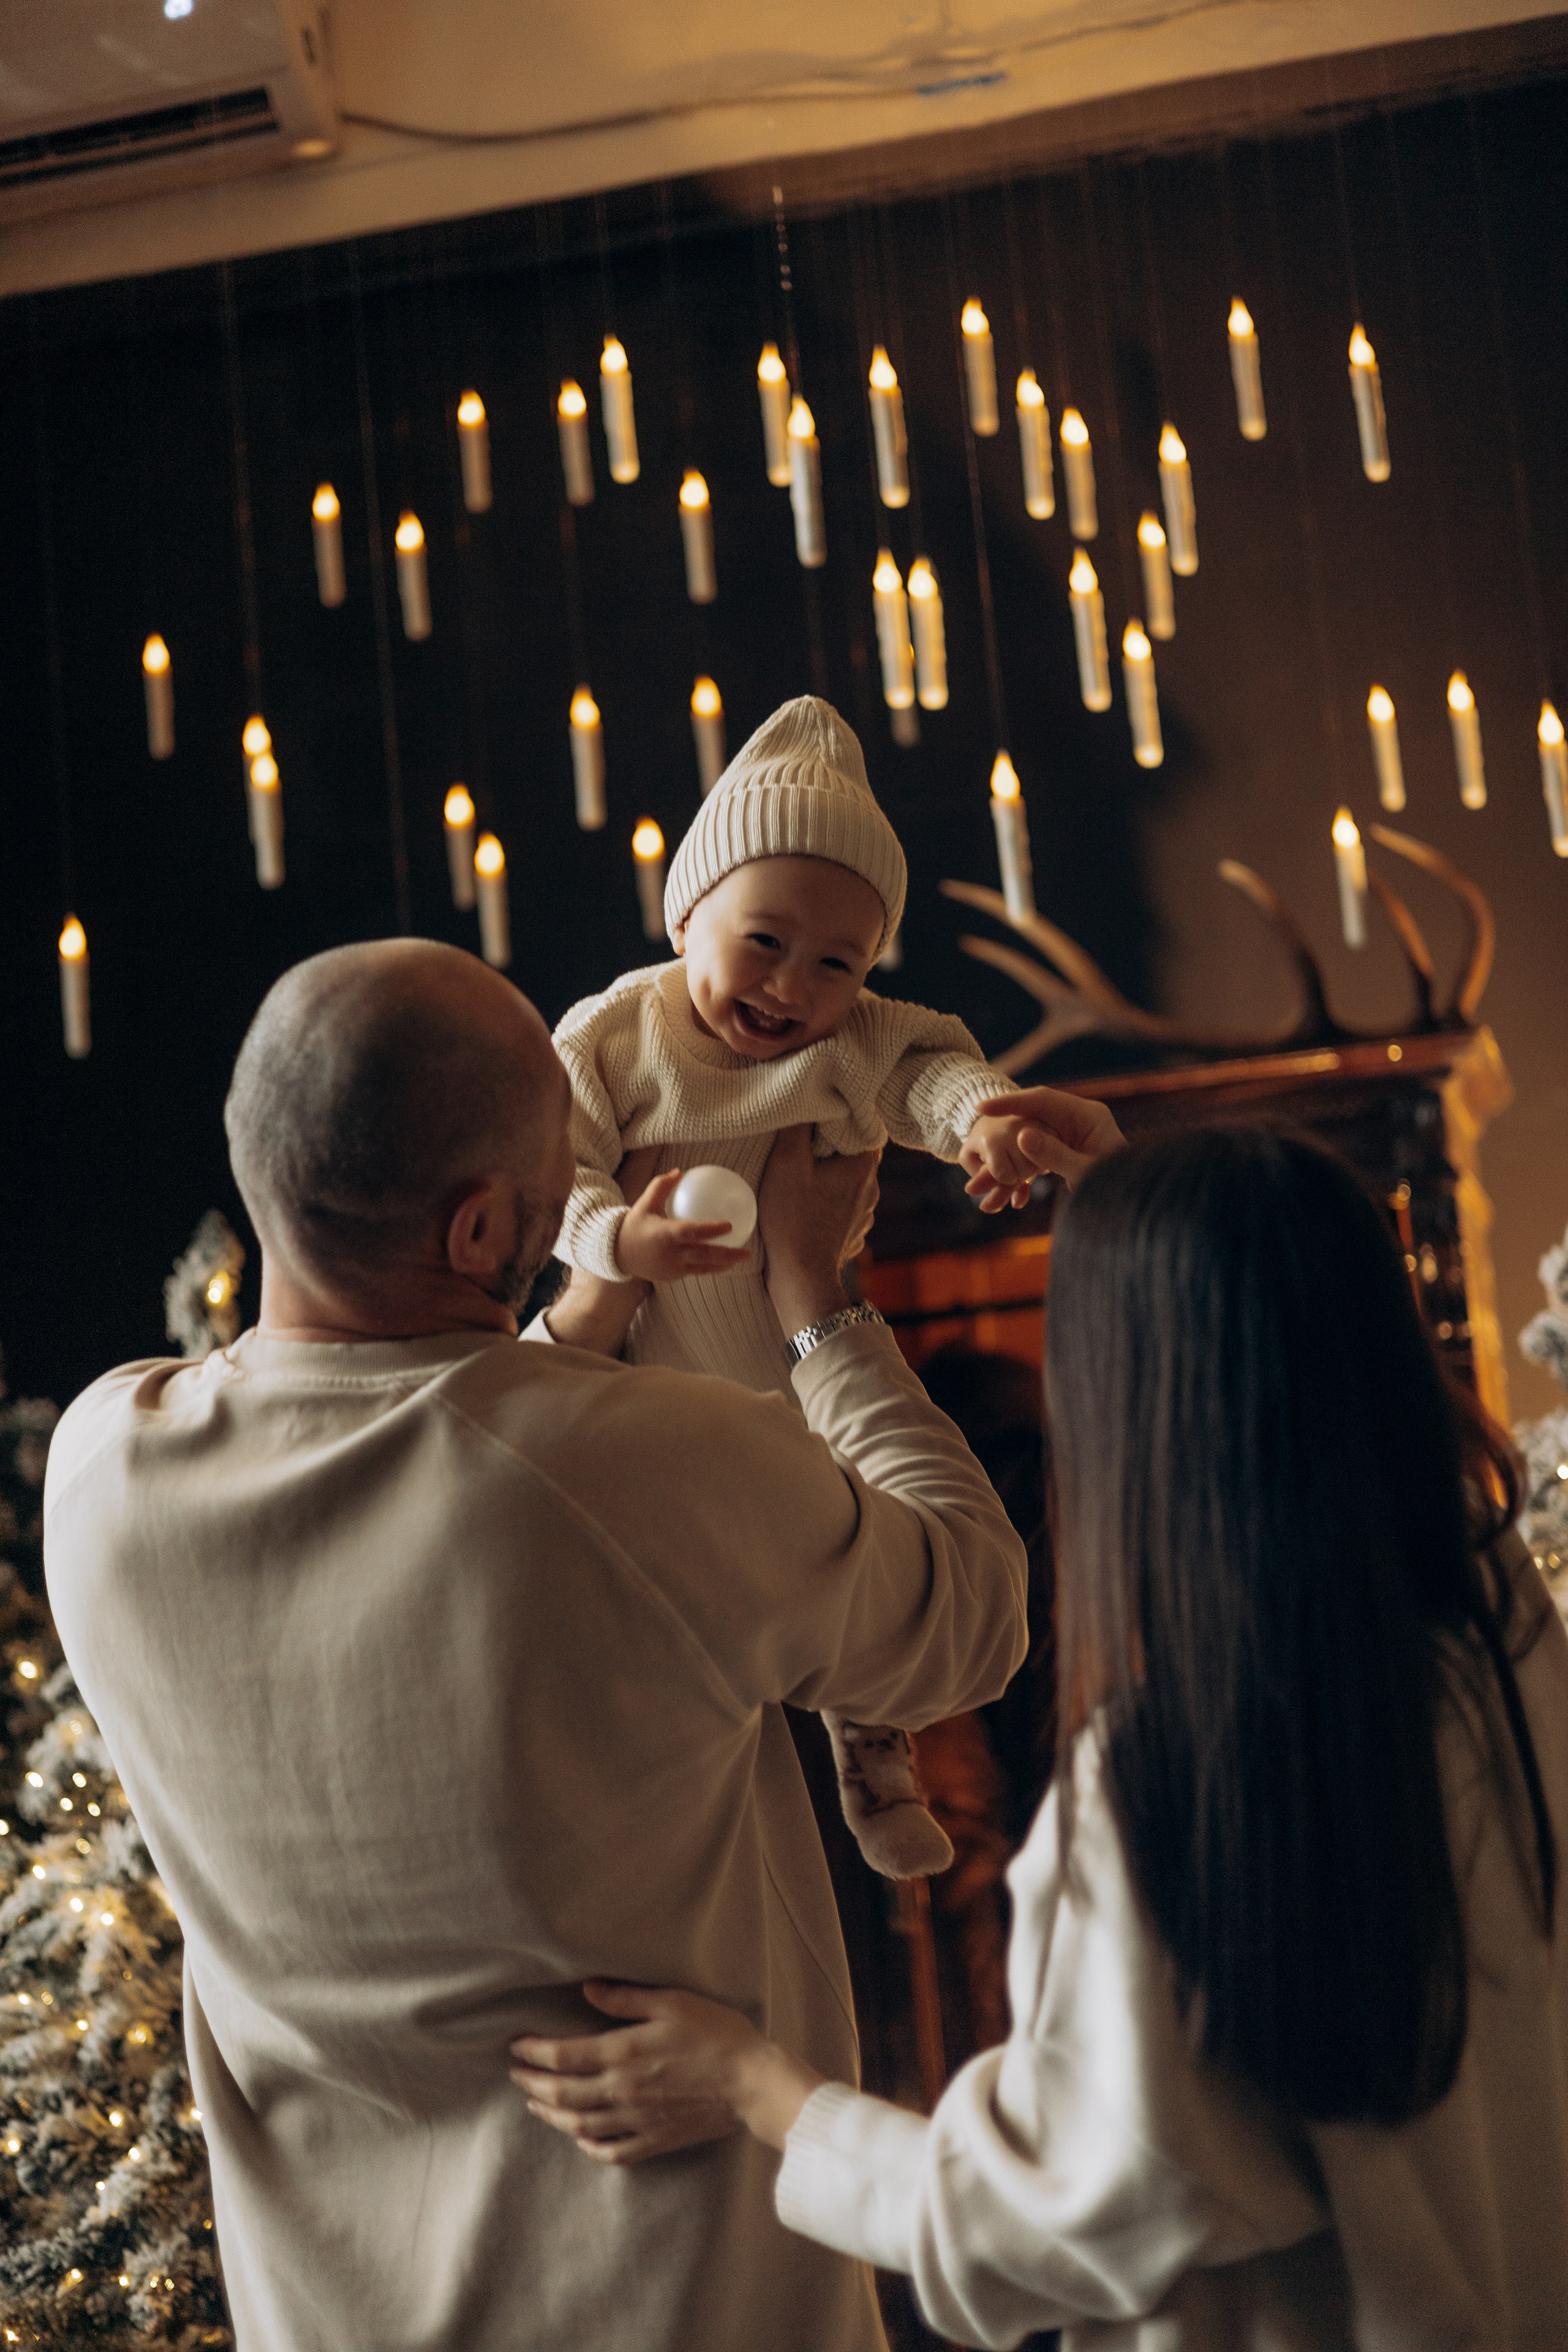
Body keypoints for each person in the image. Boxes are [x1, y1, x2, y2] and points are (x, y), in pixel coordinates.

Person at [40, 937, 1060, 2352]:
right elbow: (971, 1609)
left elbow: (464, 1443)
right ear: (475, 1236)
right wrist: (816, 1299)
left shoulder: (98, 1471)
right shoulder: (648, 1467)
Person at [514, 1126, 1568, 2351]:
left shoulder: (1171, 1773)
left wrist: (757, 2088)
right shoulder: (1494, 1640)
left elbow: (1045, 2218)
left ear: (1124, 1394)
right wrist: (1160, 1204)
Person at [552, 693, 1072, 1879]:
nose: (792, 986)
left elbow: (931, 1070)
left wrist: (982, 1121)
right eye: (763, 942)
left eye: (837, 962)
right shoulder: (614, 1039)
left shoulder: (850, 1041)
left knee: (851, 1540)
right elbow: (556, 1165)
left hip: (798, 1378)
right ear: (687, 915)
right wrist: (613, 1244)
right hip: (651, 1367)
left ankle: (870, 1758)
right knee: (656, 1557)